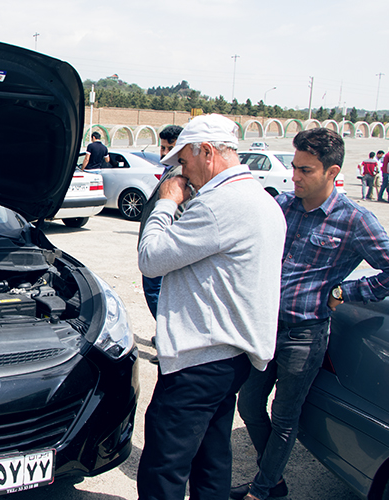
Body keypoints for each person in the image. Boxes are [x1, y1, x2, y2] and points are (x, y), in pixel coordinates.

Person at [233, 128, 389, 500]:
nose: (295, 177)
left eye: (306, 171)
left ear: (332, 172)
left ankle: (266, 488)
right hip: (265, 328)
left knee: (285, 417)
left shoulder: (354, 220)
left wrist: (344, 291)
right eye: (295, 168)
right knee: (249, 403)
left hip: (305, 334)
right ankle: (273, 478)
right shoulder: (283, 206)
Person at [136, 114, 286, 500]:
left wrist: (166, 204)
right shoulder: (260, 199)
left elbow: (151, 258)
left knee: (163, 469)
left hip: (199, 361)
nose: (181, 172)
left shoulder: (221, 205)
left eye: (183, 161)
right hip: (230, 355)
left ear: (206, 151)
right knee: (211, 459)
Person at [137, 124, 184, 320]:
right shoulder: (171, 170)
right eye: (162, 147)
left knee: (155, 293)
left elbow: (177, 212)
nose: (164, 153)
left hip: (161, 246)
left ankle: (168, 335)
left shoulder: (178, 174)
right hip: (157, 246)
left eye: (169, 148)